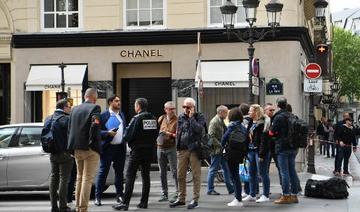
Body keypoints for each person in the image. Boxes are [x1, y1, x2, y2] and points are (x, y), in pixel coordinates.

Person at [113, 98, 158, 210]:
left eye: (135, 105)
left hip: (137, 151)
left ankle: (125, 203)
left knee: (130, 176)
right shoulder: (153, 118)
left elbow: (127, 135)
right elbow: (155, 134)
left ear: (138, 106)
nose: (134, 107)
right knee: (145, 176)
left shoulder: (137, 118)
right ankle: (144, 202)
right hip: (149, 151)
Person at [68, 88, 101, 212]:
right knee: (87, 178)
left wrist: (71, 146)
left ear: (85, 96)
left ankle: (78, 207)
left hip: (76, 148)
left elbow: (69, 129)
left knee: (79, 177)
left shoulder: (74, 109)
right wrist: (92, 142)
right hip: (90, 148)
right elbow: (95, 124)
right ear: (94, 97)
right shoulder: (95, 108)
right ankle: (83, 208)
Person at [169, 98, 205, 210]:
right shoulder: (180, 117)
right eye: (184, 107)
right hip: (182, 149)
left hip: (194, 149)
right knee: (180, 175)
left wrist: (191, 118)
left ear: (193, 107)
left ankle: (195, 199)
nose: (186, 109)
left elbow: (199, 130)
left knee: (196, 175)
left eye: (188, 107)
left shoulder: (200, 116)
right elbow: (178, 132)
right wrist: (177, 146)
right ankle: (181, 198)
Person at [94, 95, 127, 206]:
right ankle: (98, 197)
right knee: (103, 173)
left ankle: (119, 196)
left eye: (119, 101)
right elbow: (96, 132)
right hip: (108, 148)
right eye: (116, 101)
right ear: (110, 102)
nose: (119, 103)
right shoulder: (103, 115)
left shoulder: (121, 114)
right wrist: (107, 133)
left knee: (119, 173)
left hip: (120, 148)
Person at [270, 97, 299, 204]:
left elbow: (272, 133)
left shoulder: (278, 117)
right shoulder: (292, 115)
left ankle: (286, 195)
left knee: (284, 172)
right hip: (293, 147)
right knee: (292, 171)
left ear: (278, 105)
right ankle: (294, 195)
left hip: (282, 147)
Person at [47, 99, 73, 212]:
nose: (70, 109)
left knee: (54, 178)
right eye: (69, 107)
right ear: (64, 107)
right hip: (64, 153)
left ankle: (53, 206)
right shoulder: (66, 119)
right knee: (64, 179)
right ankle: (63, 206)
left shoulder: (49, 118)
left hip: (52, 153)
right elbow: (71, 135)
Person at [243, 104, 271, 203]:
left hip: (259, 151)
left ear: (256, 112)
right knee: (251, 173)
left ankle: (266, 195)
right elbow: (248, 136)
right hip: (251, 150)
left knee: (263, 173)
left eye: (250, 111)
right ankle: (252, 194)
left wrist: (261, 154)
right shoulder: (250, 122)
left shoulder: (263, 123)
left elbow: (264, 141)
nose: (248, 113)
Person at [221, 107, 248, 207]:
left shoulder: (231, 126)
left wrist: (222, 146)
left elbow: (224, 139)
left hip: (231, 153)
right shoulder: (242, 127)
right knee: (236, 176)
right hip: (240, 154)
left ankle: (237, 199)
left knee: (234, 176)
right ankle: (238, 197)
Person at [207, 105, 234, 196]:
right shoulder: (214, 122)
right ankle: (210, 189)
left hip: (221, 150)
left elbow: (226, 132)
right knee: (213, 169)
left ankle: (231, 189)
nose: (227, 114)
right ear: (220, 112)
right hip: (216, 150)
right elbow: (211, 136)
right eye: (226, 112)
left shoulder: (220, 121)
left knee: (226, 168)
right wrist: (220, 144)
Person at [157, 101, 178, 202]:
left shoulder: (178, 120)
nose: (173, 111)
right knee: (162, 172)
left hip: (171, 148)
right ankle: (164, 193)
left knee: (174, 171)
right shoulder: (161, 119)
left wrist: (169, 134)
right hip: (160, 148)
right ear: (165, 110)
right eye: (170, 109)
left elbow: (178, 135)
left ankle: (178, 193)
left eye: (173, 109)